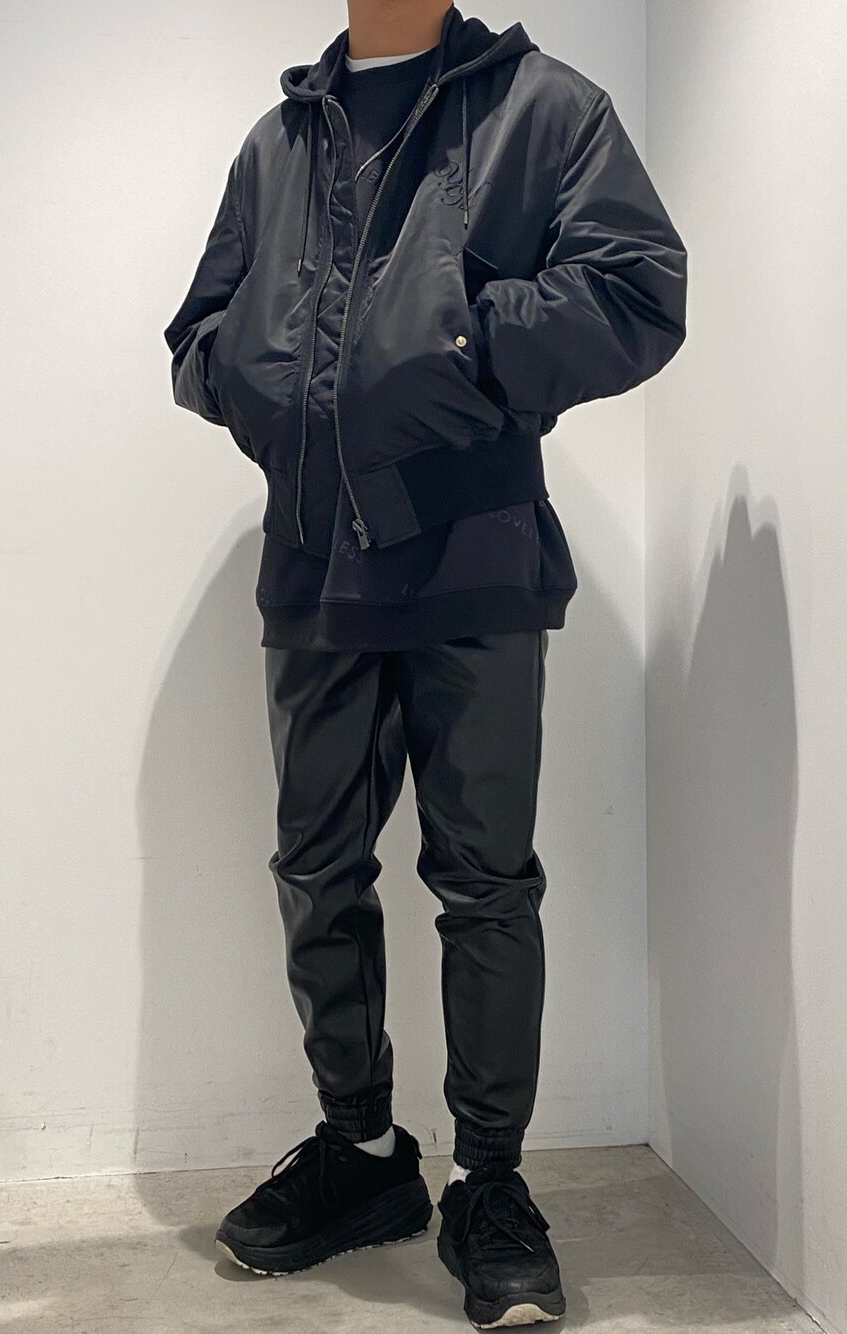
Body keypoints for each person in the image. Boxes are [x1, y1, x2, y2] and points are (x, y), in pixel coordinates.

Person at [163, 1, 687, 1325]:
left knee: (485, 879)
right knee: (314, 867)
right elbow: (198, 335)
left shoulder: (542, 109)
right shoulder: (280, 141)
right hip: (312, 563)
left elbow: (639, 290)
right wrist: (264, 377)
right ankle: (363, 1152)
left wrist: (455, 339)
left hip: (476, 555)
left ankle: (490, 1181)